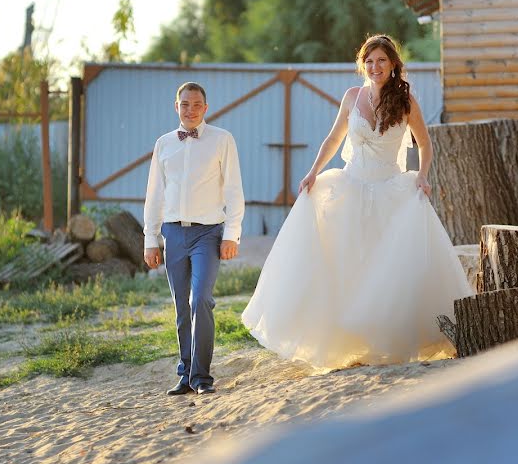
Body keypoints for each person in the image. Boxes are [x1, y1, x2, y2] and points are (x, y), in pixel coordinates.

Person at [242, 34, 473, 369]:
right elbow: (333, 139)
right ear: (362, 64)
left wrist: (422, 175)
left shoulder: (405, 100)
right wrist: (311, 173)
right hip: (351, 186)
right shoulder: (352, 97)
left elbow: (425, 144)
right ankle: (345, 342)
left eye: (381, 60)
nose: (374, 66)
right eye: (369, 60)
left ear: (393, 64)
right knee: (347, 263)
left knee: (387, 269)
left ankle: (386, 341)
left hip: (391, 189)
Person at [143, 82, 245, 395]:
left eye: (196, 104)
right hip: (173, 233)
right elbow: (155, 194)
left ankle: (202, 377)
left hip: (208, 233)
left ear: (206, 108)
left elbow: (233, 190)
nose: (190, 110)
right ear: (176, 106)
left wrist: (232, 234)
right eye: (185, 104)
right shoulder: (163, 144)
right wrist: (150, 238)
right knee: (181, 306)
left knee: (200, 298)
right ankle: (185, 374)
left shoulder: (222, 140)